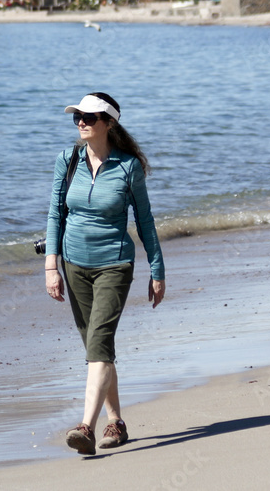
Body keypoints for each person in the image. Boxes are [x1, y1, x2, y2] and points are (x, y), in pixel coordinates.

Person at [44, 92, 165, 456]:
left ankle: (86, 427)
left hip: (115, 263)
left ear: (109, 123)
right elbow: (55, 215)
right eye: (77, 116)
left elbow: (144, 221)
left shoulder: (128, 168)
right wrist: (51, 266)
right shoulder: (67, 160)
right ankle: (117, 422)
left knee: (98, 343)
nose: (81, 121)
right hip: (74, 263)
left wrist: (156, 269)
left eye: (89, 117)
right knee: (98, 347)